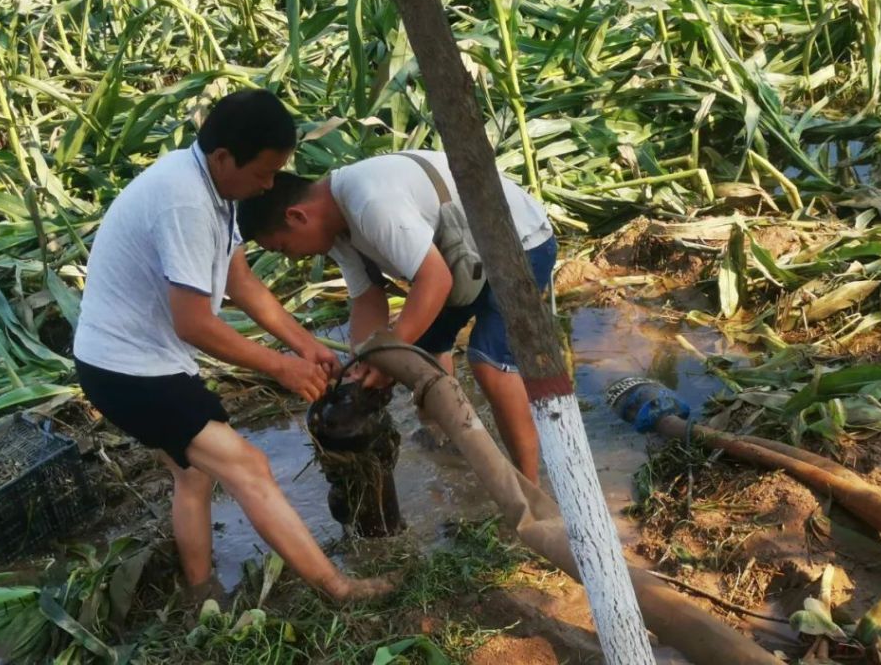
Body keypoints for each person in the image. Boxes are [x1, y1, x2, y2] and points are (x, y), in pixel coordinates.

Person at [73, 89, 393, 603]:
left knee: (194, 474)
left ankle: (201, 594)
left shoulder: (213, 189)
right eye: (264, 173)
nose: (269, 185)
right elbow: (194, 324)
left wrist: (304, 343)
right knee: (249, 466)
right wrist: (280, 367)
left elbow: (241, 284)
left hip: (134, 359)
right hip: (128, 370)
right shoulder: (185, 201)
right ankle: (338, 588)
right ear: (224, 157)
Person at [236, 150, 556, 483]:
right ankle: (451, 451)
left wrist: (389, 352)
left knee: (489, 363)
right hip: (462, 258)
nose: (292, 259)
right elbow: (367, 299)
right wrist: (365, 360)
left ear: (297, 216)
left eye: (283, 249)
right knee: (425, 355)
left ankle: (529, 488)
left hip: (518, 242)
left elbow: (436, 280)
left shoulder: (370, 203)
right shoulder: (334, 227)